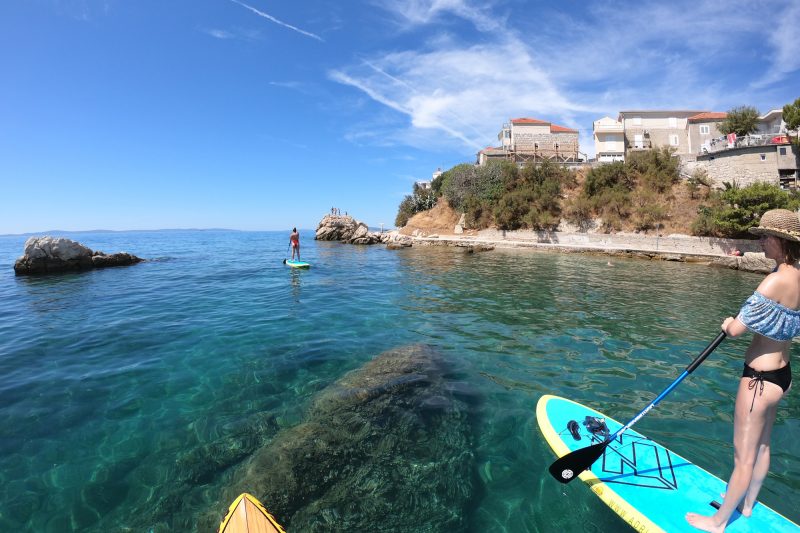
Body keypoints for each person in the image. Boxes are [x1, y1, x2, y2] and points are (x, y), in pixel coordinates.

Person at [686, 209, 800, 532]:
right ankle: (747, 506)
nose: (761, 242)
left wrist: (727, 323)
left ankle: (719, 521)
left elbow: (737, 329)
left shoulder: (774, 280)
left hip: (758, 383)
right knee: (763, 446)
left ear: (781, 241)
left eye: (765, 237)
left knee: (743, 457)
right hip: (783, 377)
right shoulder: (798, 277)